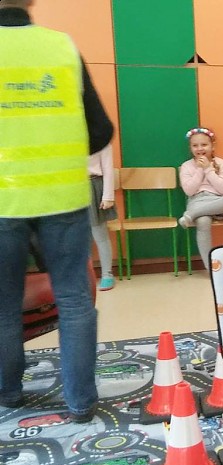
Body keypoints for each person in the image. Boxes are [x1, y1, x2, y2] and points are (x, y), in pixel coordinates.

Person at [0, 0, 114, 423]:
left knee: (3, 305)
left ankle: (9, 392)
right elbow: (101, 130)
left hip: (2, 204)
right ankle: (80, 402)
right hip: (63, 197)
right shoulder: (62, 47)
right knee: (74, 301)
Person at [177, 127, 223, 271]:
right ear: (190, 148)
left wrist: (208, 169)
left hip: (218, 203)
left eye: (204, 145)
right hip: (197, 201)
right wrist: (200, 169)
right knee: (203, 221)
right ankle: (211, 268)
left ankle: (191, 215)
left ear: (212, 146)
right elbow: (189, 191)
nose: (200, 149)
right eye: (195, 145)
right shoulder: (186, 166)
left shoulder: (221, 163)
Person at [88, 143, 117, 290]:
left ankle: (107, 274)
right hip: (73, 188)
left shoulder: (101, 140)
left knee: (100, 234)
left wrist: (108, 196)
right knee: (77, 237)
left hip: (94, 186)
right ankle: (84, 276)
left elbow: (108, 169)